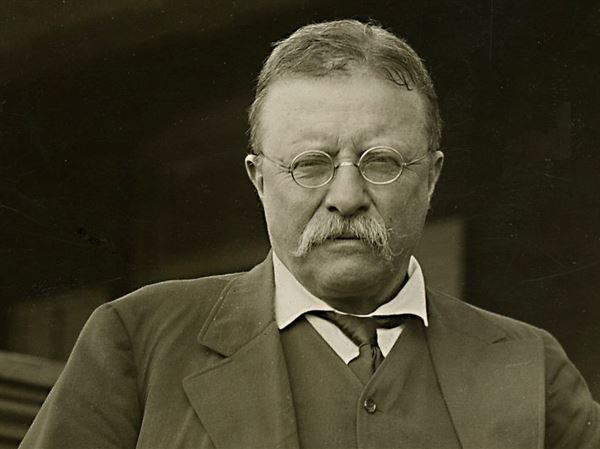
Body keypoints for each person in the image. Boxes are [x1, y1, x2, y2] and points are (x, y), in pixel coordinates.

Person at [20, 19, 599, 449]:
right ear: (259, 180)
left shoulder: (530, 367)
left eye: (381, 162)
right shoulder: (139, 341)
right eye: (310, 164)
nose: (346, 196)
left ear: (431, 178)